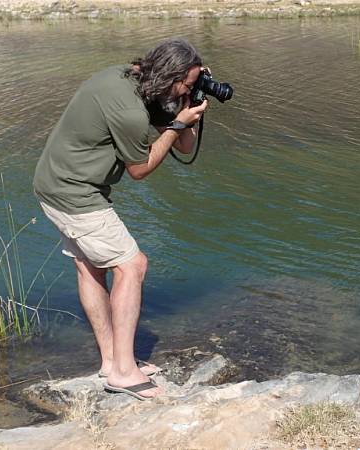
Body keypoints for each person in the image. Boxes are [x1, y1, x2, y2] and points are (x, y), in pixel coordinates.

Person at [33, 38, 210, 400]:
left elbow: (186, 147)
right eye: (188, 83)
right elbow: (140, 168)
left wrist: (188, 107)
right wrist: (176, 125)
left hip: (54, 184)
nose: (189, 89)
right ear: (171, 76)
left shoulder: (131, 78)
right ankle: (124, 373)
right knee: (132, 265)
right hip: (74, 194)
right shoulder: (129, 109)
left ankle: (112, 360)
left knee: (90, 267)